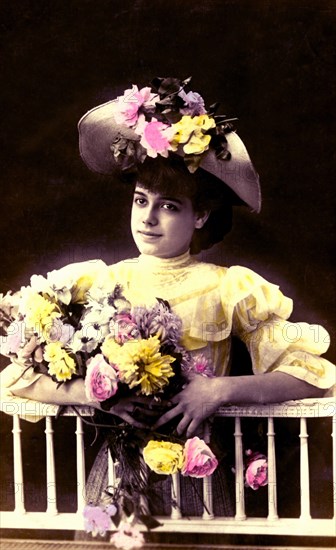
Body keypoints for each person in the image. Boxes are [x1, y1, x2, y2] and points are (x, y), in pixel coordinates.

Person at [1, 77, 335, 526]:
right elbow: (15, 379)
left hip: (199, 469)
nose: (149, 218)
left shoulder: (230, 288)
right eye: (141, 201)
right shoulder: (98, 282)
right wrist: (99, 397)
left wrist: (219, 390)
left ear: (200, 215)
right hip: (117, 474)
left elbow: (312, 376)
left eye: (170, 206)